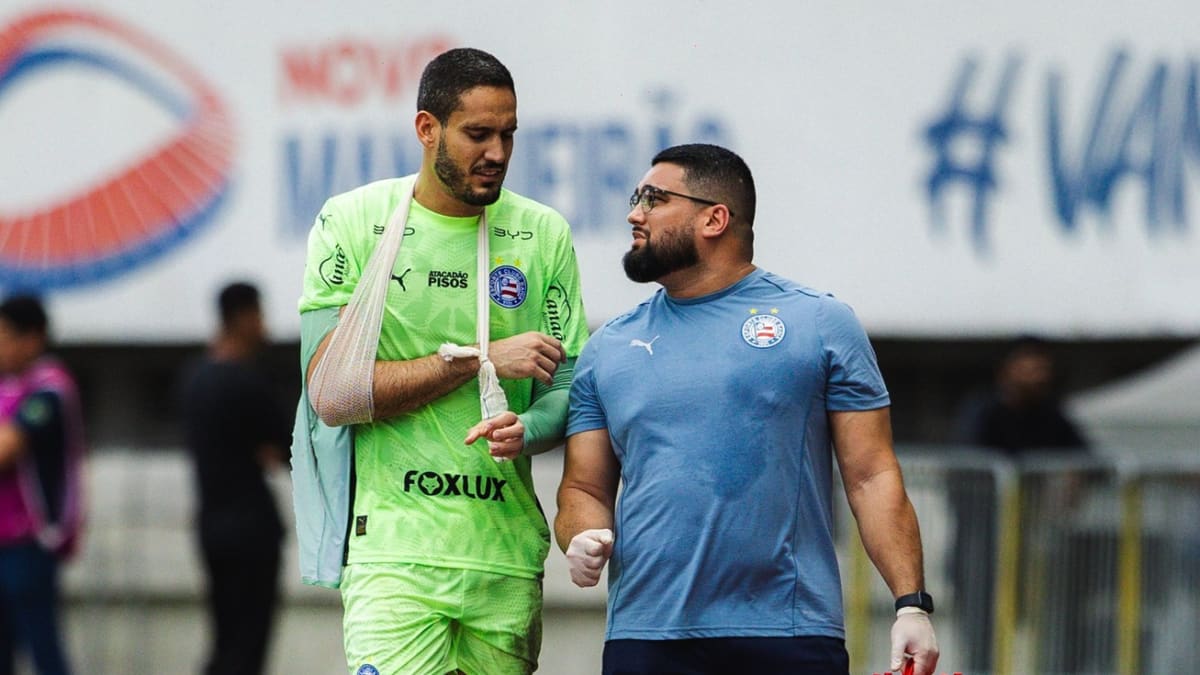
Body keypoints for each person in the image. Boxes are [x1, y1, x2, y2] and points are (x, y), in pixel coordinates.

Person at [555, 143, 939, 675]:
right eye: (635, 198)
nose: (634, 214)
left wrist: (911, 605)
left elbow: (871, 475)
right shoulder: (608, 347)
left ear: (714, 219)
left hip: (788, 632)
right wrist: (579, 536)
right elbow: (583, 488)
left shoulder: (820, 323)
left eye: (654, 199)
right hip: (646, 635)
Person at [295, 47, 589, 675]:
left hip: (504, 555)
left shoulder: (543, 233)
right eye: (478, 134)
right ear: (427, 128)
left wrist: (528, 427)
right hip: (393, 556)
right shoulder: (354, 221)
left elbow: (569, 387)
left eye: (509, 134)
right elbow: (332, 394)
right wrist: (479, 361)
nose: (498, 153)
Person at [950, 335, 1089, 672]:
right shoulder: (983, 410)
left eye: (1043, 369)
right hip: (982, 540)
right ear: (1007, 370)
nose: (1038, 376)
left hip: (1033, 543)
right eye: (1029, 368)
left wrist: (1073, 476)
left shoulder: (1050, 414)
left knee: (1046, 625)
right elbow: (966, 465)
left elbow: (1087, 457)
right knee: (981, 625)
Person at [180, 282, 292, 675]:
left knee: (225, 639)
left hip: (211, 526)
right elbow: (285, 449)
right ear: (243, 317)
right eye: (259, 315)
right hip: (251, 531)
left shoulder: (194, 378)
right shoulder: (248, 383)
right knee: (247, 645)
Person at [0, 295, 85, 675]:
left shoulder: (50, 389)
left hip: (30, 539)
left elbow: (7, 449)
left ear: (32, 338)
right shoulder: (8, 386)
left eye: (5, 337)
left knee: (42, 646)